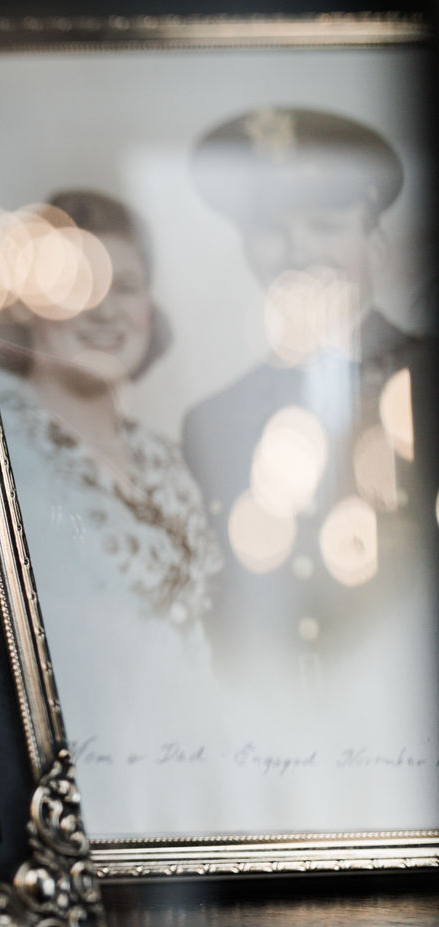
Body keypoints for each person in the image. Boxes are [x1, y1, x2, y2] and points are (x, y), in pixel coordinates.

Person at [0, 190, 226, 832]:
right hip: (68, 794)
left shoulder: (169, 461)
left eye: (126, 286)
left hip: (193, 788)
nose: (103, 309)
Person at [184, 107, 437, 687]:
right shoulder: (213, 422)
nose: (297, 252)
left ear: (373, 240)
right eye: (271, 230)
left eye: (324, 225)